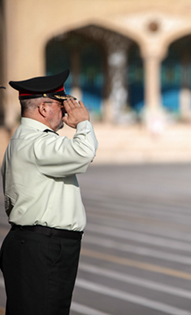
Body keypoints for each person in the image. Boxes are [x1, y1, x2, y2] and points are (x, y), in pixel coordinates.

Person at [0, 70, 98, 315]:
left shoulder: (26, 139)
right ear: (43, 108)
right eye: (60, 104)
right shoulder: (37, 142)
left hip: (39, 243)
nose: (65, 111)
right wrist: (83, 123)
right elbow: (84, 153)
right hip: (42, 245)